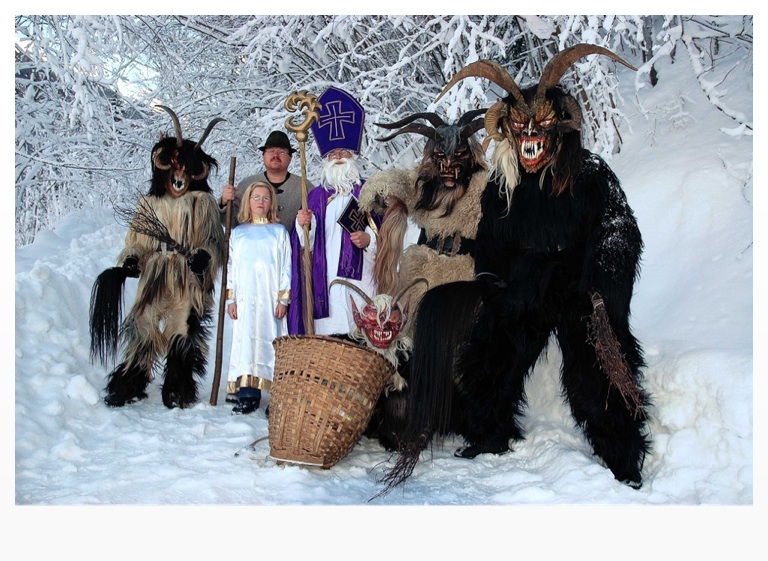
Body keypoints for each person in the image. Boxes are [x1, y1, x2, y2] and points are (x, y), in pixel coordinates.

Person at [288, 86, 381, 336]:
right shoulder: (315, 196)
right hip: (325, 276)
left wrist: (369, 240)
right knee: (329, 337)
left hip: (363, 276)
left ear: (353, 156)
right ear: (326, 160)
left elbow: (388, 233)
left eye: (344, 152)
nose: (338, 156)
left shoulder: (370, 192)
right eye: (332, 153)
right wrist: (304, 224)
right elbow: (304, 244)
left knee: (361, 330)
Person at [225, 181, 292, 414]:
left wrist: (283, 299)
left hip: (270, 299)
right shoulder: (238, 233)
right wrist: (231, 299)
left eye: (265, 198)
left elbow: (286, 267)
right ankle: (248, 393)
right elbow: (232, 268)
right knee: (246, 343)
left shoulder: (279, 232)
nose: (261, 202)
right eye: (256, 197)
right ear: (248, 201)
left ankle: (277, 395)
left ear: (272, 202)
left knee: (272, 343)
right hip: (245, 300)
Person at [219, 130, 305, 233]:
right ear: (263, 156)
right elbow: (231, 221)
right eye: (271, 151)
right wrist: (224, 202)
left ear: (290, 157)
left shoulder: (304, 187)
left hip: (292, 243)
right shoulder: (246, 185)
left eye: (281, 152)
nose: (275, 155)